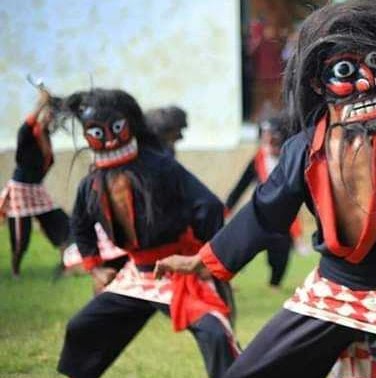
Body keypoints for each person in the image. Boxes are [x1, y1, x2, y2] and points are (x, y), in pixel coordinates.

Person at [155, 1, 376, 376]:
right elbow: (264, 213)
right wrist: (203, 260)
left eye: (375, 64)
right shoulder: (303, 150)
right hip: (329, 294)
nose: (366, 81)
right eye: (345, 70)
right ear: (316, 82)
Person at [57, 88, 240, 378]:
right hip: (135, 275)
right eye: (97, 132)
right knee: (81, 328)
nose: (109, 139)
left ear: (130, 124)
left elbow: (209, 207)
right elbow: (80, 224)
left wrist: (208, 259)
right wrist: (96, 268)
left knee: (216, 334)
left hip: (180, 270)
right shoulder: (92, 181)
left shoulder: (161, 166)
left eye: (115, 128)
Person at [225, 116, 305, 288]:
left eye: (274, 137)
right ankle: (226, 280)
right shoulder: (258, 160)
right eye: (267, 137)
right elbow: (241, 185)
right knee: (243, 247)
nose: (270, 141)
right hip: (259, 212)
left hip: (284, 215)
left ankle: (274, 284)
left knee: (280, 253)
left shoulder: (291, 156)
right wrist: (227, 208)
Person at [0, 89, 71, 277]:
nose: (50, 117)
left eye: (52, 115)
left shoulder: (45, 137)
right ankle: (15, 272)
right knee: (21, 236)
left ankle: (65, 266)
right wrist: (40, 104)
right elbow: (26, 125)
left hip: (37, 190)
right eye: (48, 114)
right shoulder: (28, 135)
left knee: (62, 224)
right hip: (20, 190)